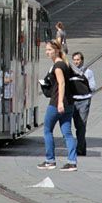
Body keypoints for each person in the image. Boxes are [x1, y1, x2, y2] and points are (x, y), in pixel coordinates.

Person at [37, 40, 78, 171]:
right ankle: (72, 162)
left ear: (57, 50)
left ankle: (50, 160)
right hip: (69, 103)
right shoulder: (65, 64)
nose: (47, 52)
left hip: (57, 103)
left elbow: (61, 83)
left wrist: (60, 102)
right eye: (46, 50)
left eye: (49, 50)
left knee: (47, 130)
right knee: (67, 133)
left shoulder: (58, 66)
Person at [70, 52, 97, 157]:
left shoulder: (88, 72)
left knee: (81, 125)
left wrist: (83, 87)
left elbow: (93, 87)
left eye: (78, 60)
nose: (76, 62)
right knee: (76, 125)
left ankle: (80, 149)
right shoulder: (70, 72)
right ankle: (81, 147)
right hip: (73, 101)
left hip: (84, 101)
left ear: (82, 60)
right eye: (74, 60)